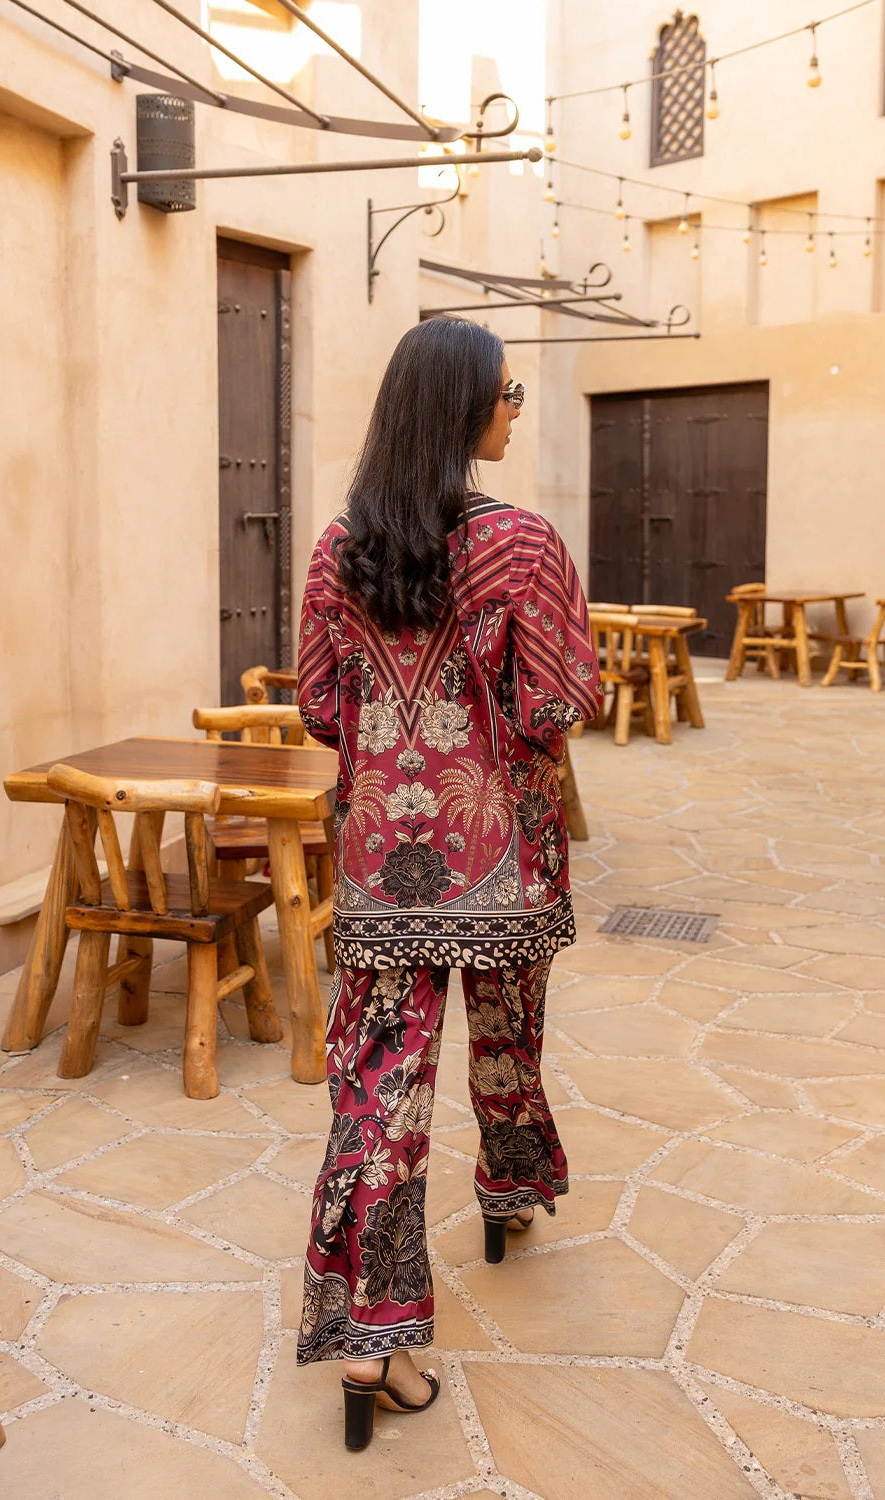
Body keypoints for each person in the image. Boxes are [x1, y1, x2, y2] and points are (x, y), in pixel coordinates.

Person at [295, 316, 601, 1450]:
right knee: (509, 1035)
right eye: (508, 392)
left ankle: (370, 1338)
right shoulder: (523, 544)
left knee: (380, 1094)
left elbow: (319, 708)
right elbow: (557, 701)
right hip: (503, 856)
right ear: (466, 407)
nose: (516, 408)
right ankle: (509, 1192)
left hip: (383, 869)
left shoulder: (338, 548)